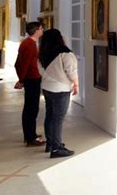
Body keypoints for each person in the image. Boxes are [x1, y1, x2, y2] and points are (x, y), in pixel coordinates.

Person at [38, 29, 78, 158]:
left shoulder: (42, 53)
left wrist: (50, 78)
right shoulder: (65, 53)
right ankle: (56, 148)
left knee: (50, 115)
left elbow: (40, 71)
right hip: (60, 89)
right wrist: (76, 84)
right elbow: (71, 71)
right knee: (58, 119)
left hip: (46, 88)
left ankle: (50, 143)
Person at [14, 21, 45, 146]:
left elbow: (18, 63)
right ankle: (30, 137)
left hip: (31, 78)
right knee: (31, 109)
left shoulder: (26, 43)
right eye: (41, 28)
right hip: (32, 79)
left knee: (30, 108)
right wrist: (21, 80)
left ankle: (30, 134)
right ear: (36, 30)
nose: (42, 30)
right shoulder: (30, 44)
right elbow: (25, 64)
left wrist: (21, 78)